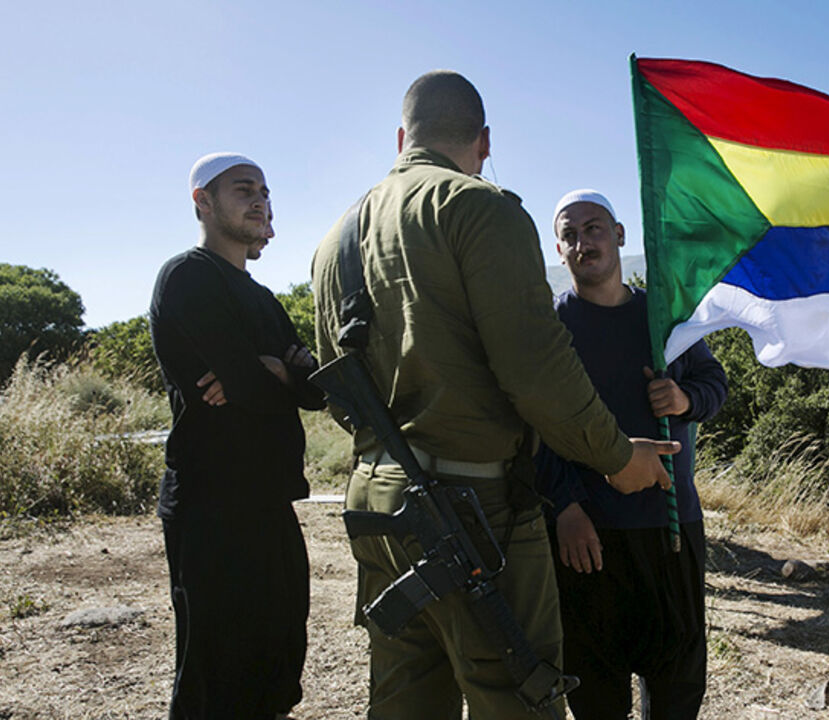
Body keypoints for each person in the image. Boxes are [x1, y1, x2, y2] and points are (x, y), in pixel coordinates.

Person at [311, 71, 679, 720]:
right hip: (476, 510)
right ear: (484, 143)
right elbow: (538, 372)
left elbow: (335, 379)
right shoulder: (480, 208)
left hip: (377, 499)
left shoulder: (335, 240)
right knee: (517, 700)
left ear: (403, 138)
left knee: (404, 701)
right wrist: (619, 458)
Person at [539, 189, 727, 720]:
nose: (583, 242)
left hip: (671, 527)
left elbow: (715, 384)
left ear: (619, 235)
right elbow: (533, 429)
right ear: (559, 249)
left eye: (594, 228)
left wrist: (685, 399)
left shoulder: (663, 319)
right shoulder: (549, 331)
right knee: (596, 689)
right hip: (589, 536)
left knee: (677, 684)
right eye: (570, 234)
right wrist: (565, 508)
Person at [149, 153, 325, 719]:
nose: (259, 200)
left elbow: (317, 388)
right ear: (202, 200)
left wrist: (275, 372)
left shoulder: (264, 298)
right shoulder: (187, 276)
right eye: (243, 189)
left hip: (270, 502)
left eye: (265, 191)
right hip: (210, 504)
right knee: (215, 673)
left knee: (276, 663)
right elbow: (248, 384)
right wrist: (271, 374)